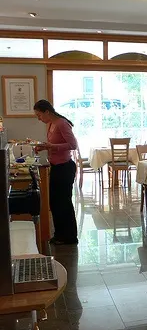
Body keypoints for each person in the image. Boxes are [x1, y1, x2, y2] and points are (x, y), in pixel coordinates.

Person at [34, 99, 79, 245]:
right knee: (55, 202)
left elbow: (73, 145)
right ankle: (60, 234)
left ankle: (70, 236)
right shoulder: (51, 124)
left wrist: (51, 146)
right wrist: (45, 147)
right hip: (56, 166)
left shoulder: (61, 123)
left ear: (47, 111)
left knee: (64, 202)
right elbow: (54, 145)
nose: (39, 118)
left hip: (65, 167)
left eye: (39, 115)